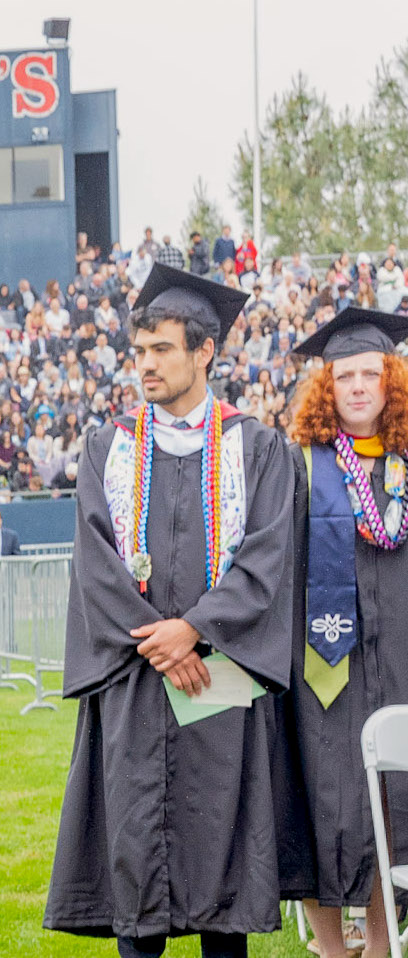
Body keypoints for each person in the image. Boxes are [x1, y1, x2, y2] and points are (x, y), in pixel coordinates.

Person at [45, 264, 296, 957]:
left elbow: (268, 558)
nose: (146, 365)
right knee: (135, 879)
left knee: (222, 872)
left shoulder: (257, 449)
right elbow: (95, 561)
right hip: (135, 680)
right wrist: (161, 642)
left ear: (204, 351)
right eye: (139, 352)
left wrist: (195, 630)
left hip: (218, 681)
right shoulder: (110, 448)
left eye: (162, 349)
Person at [279, 307, 408, 958]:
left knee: (395, 803)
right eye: (345, 375)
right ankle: (332, 947)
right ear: (327, 386)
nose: (359, 386)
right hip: (324, 670)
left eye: (371, 373)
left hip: (401, 665)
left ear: (391, 382)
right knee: (323, 803)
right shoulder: (301, 465)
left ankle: (383, 942)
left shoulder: (406, 465)